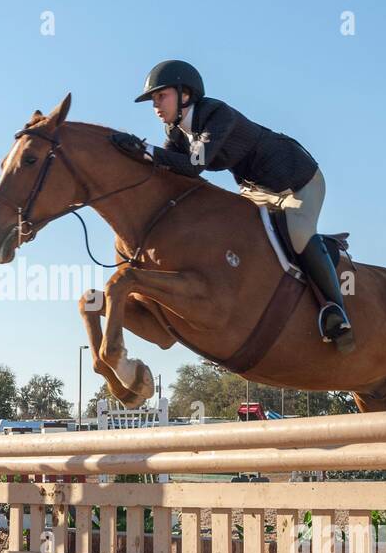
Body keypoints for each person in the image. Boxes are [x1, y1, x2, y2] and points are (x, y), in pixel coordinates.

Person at [109, 59, 354, 351]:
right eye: (153, 99)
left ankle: (335, 312)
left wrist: (144, 149)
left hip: (297, 181)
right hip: (254, 188)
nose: (155, 106)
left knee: (299, 232)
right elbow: (168, 174)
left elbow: (192, 165)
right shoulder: (176, 134)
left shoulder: (216, 114)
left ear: (185, 93)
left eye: (161, 96)